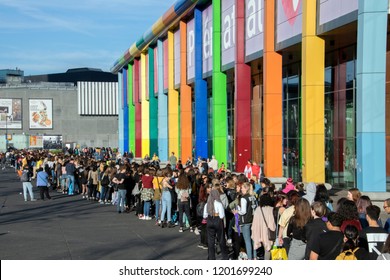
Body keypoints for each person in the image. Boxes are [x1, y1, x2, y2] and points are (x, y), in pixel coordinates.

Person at [232, 182, 257, 260]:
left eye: (242, 187)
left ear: (246, 188)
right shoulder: (253, 196)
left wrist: (236, 212)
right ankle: (255, 257)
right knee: (253, 240)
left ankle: (250, 258)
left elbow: (243, 211)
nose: (241, 189)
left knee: (247, 241)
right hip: (253, 220)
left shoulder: (243, 198)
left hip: (245, 221)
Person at [203, 189, 228, 260]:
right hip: (218, 220)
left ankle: (211, 258)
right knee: (221, 239)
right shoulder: (219, 203)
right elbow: (222, 216)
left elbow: (204, 215)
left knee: (211, 241)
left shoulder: (207, 204)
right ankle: (225, 256)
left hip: (210, 220)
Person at [251, 194, 275, 260]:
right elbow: (273, 223)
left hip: (259, 232)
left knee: (265, 249)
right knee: (268, 249)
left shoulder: (258, 209)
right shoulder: (271, 209)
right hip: (268, 233)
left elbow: (254, 223)